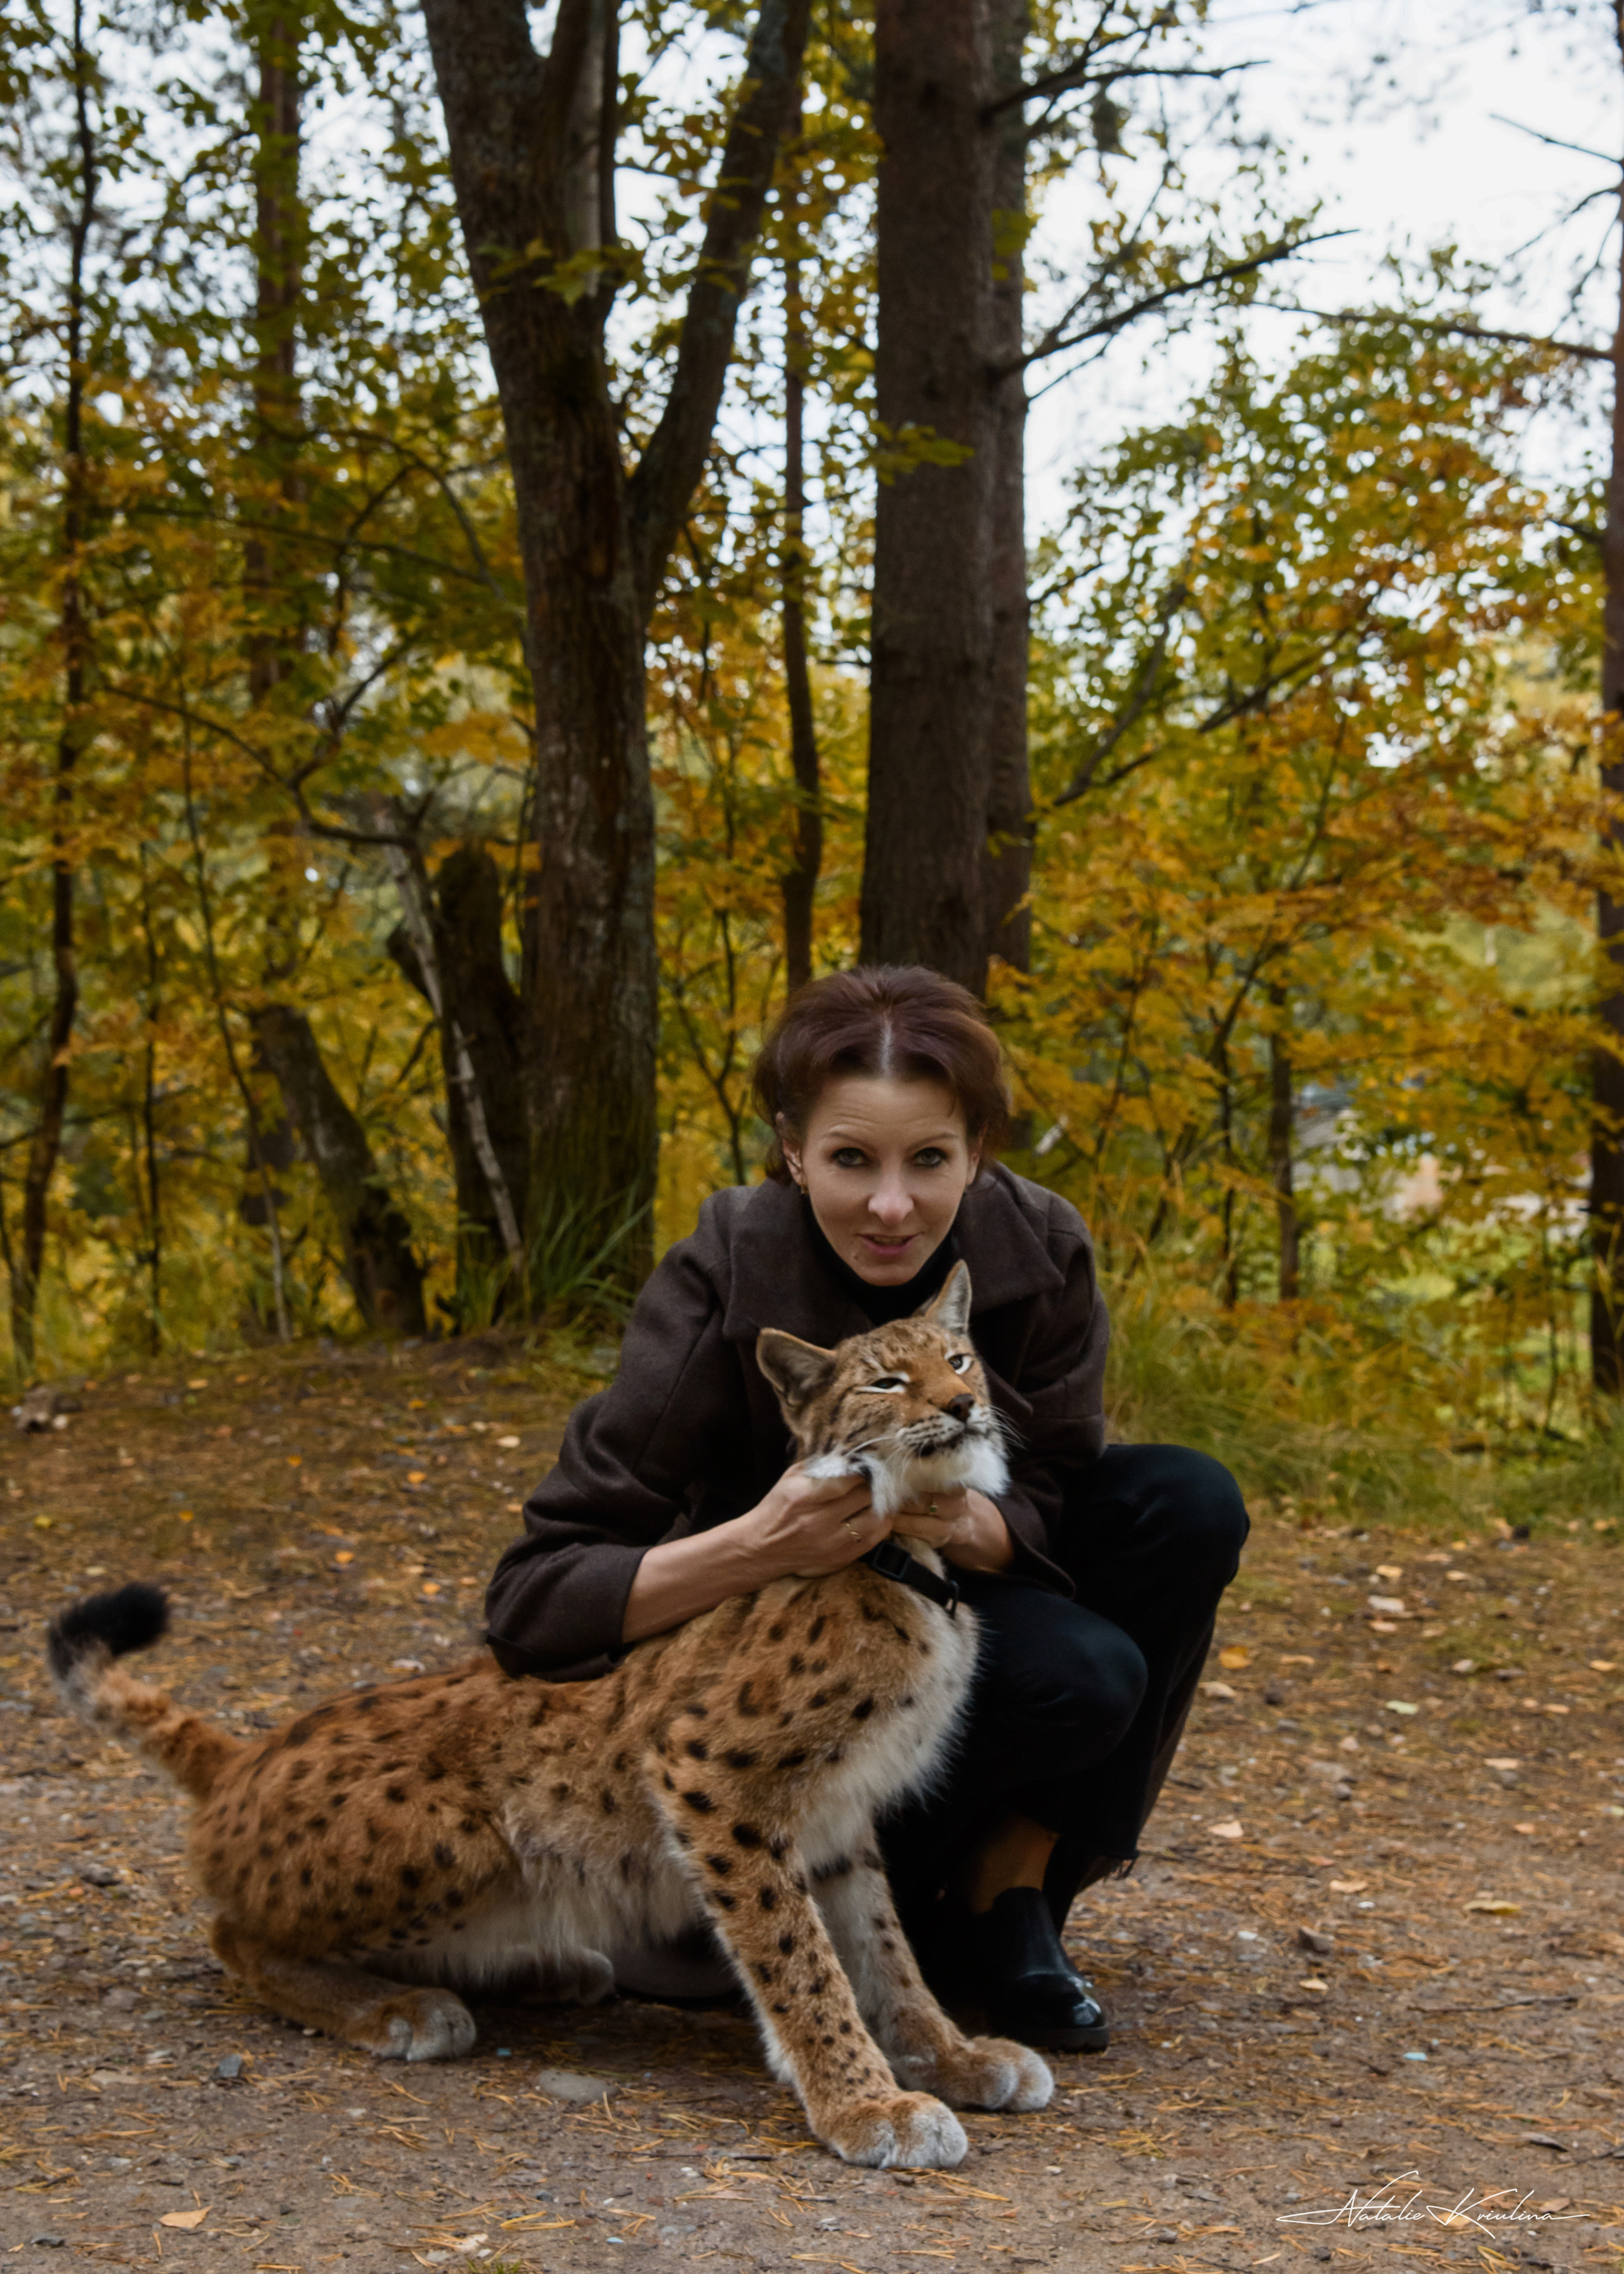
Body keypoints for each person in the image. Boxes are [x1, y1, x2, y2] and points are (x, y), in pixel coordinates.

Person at [485, 965, 1247, 2050]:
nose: (892, 1207)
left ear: (978, 1152)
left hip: (945, 1593)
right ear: (794, 1150)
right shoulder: (724, 1268)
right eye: (851, 1160)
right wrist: (755, 1544)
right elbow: (533, 1598)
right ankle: (779, 1910)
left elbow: (1063, 1485)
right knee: (1081, 1673)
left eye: (929, 1161)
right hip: (769, 1659)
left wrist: (983, 1529)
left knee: (1187, 1499)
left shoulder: (1043, 1246)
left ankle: (1012, 1892)